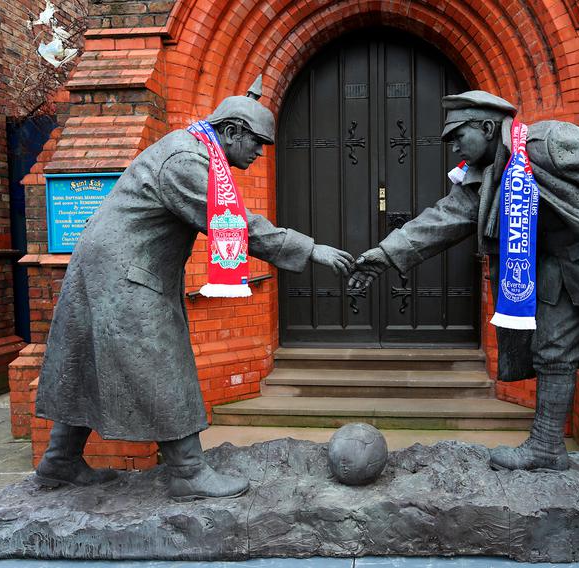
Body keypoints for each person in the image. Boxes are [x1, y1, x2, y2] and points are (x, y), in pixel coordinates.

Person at [348, 90, 579, 503]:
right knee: (553, 353)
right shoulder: (486, 176)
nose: (454, 146)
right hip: (561, 276)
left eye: (457, 135)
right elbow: (440, 220)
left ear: (487, 127)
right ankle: (546, 446)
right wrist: (383, 256)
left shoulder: (549, 143)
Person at [34, 77, 353, 501]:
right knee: (163, 364)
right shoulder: (185, 161)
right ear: (233, 131)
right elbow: (235, 226)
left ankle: (60, 460)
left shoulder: (193, 150)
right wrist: (310, 250)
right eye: (257, 143)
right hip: (125, 276)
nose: (260, 153)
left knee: (89, 359)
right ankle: (187, 472)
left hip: (112, 271)